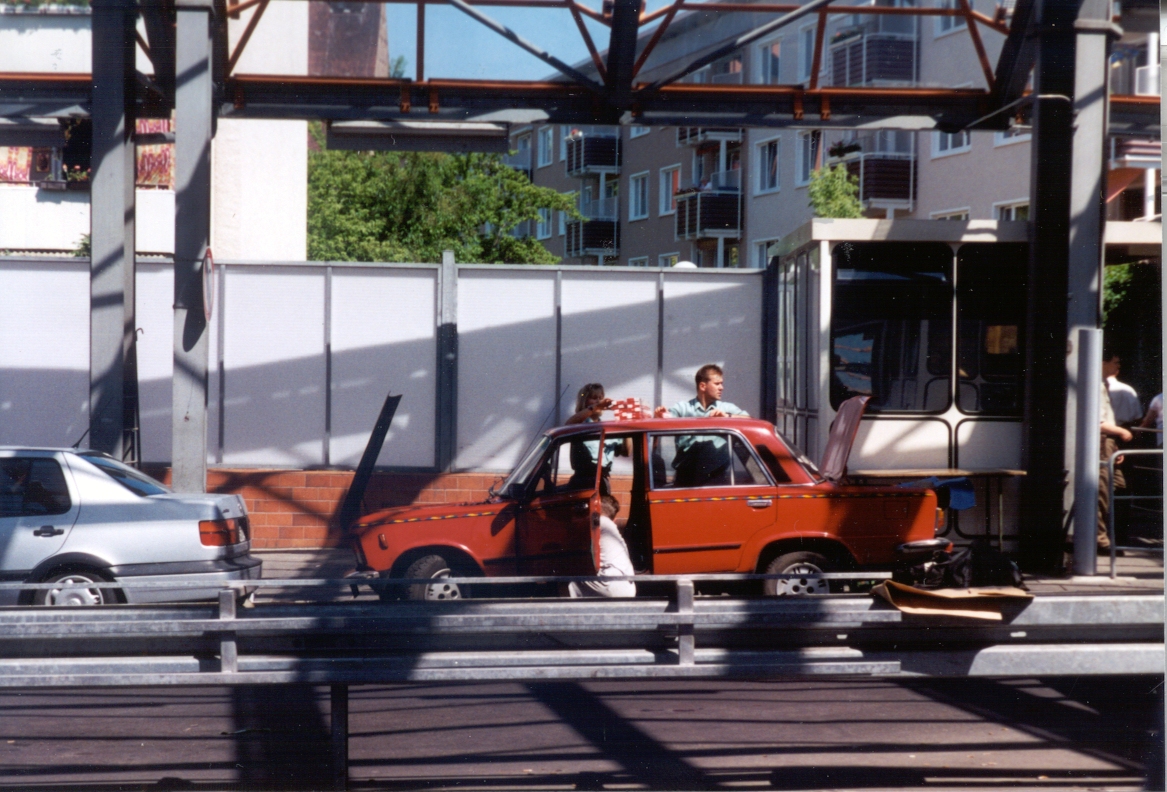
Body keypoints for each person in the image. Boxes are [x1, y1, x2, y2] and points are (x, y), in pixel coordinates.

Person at [654, 365, 749, 487]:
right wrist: (659, 415)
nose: (722, 388)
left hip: (716, 478)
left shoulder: (726, 408)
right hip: (686, 477)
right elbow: (665, 420)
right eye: (717, 384)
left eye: (721, 384)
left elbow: (750, 420)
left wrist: (727, 416)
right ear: (703, 386)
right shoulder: (683, 408)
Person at [567, 495, 636, 598]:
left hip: (610, 584)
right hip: (628, 586)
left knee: (567, 581)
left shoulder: (598, 521)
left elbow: (574, 526)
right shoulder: (610, 527)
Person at [565, 383, 627, 493]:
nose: (598, 401)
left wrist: (626, 421)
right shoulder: (580, 424)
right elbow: (568, 425)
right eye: (594, 398)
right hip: (582, 483)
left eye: (600, 398)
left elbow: (626, 451)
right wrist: (596, 407)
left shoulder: (606, 428)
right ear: (584, 401)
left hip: (602, 482)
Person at [1098, 379, 1133, 552]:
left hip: (1109, 442)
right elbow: (1098, 421)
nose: (1118, 368)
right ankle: (1101, 539)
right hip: (1103, 440)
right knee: (1101, 490)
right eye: (1115, 364)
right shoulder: (1096, 384)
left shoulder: (1102, 385)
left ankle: (1114, 536)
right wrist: (1122, 431)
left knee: (1118, 486)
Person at [1103, 351, 1143, 426]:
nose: (1119, 366)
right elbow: (1138, 417)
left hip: (1119, 428)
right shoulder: (1127, 390)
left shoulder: (1127, 390)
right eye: (1115, 363)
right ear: (1104, 363)